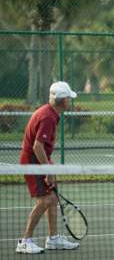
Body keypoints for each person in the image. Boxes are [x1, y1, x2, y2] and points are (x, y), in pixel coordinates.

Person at [16, 81, 79, 254]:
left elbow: (41, 147)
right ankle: (24, 240)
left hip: (39, 160)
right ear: (62, 100)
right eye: (68, 98)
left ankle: (53, 238)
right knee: (45, 200)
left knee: (52, 197)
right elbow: (37, 146)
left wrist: (49, 167)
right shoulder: (47, 117)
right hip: (32, 163)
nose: (70, 101)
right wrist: (47, 171)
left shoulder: (50, 113)